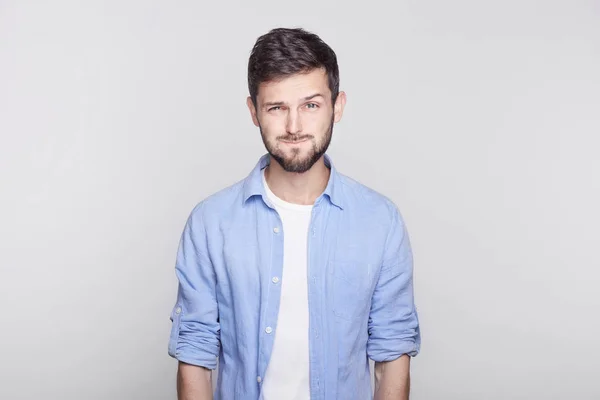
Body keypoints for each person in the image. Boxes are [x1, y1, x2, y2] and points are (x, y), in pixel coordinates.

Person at [168, 27, 421, 400]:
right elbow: (195, 352)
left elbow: (391, 355)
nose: (294, 127)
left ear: (338, 106)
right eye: (276, 107)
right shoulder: (210, 224)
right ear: (254, 111)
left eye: (311, 105)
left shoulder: (380, 223)